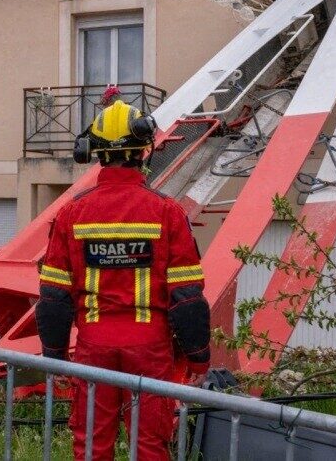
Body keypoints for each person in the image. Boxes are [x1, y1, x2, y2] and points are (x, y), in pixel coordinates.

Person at [35, 95, 211, 461]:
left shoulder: (71, 214)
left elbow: (54, 297)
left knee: (91, 446)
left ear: (95, 152)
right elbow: (187, 296)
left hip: (93, 345)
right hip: (150, 346)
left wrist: (53, 357)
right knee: (149, 445)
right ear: (145, 151)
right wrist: (198, 358)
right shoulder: (167, 213)